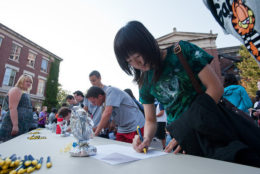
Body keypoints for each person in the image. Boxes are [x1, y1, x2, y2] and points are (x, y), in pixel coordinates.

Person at [113, 21, 260, 167]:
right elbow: (150, 120)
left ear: (147, 43)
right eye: (130, 61)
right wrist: (146, 138)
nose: (137, 64)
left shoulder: (181, 51)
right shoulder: (144, 81)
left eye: (137, 56)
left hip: (212, 126)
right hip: (181, 139)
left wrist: (187, 129)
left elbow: (215, 88)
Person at [0, 74, 34, 141]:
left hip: (23, 125)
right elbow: (12, 108)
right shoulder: (16, 90)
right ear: (21, 81)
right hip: (12, 124)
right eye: (27, 81)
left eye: (30, 82)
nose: (29, 83)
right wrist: (15, 125)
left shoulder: (24, 92)